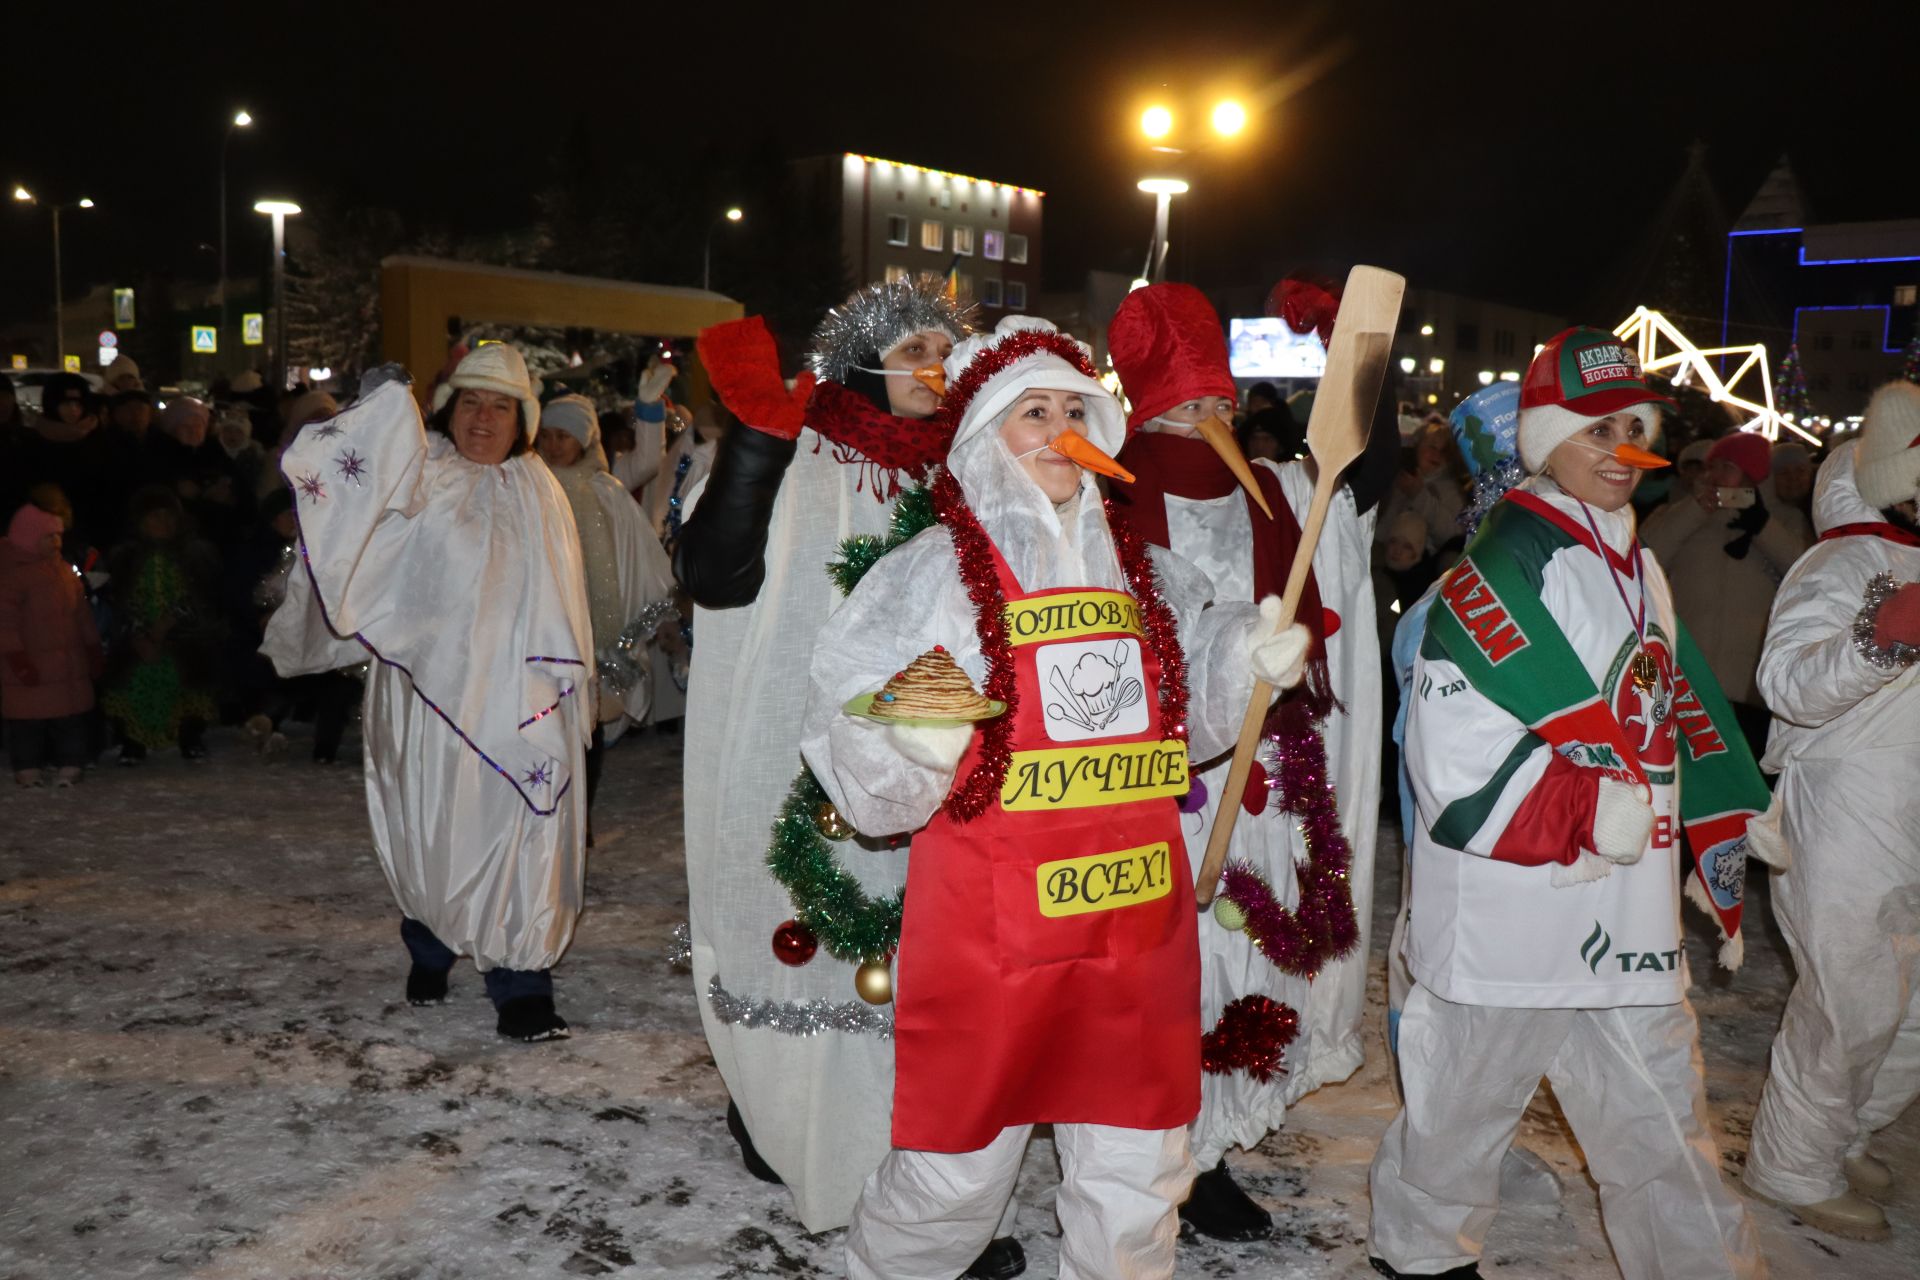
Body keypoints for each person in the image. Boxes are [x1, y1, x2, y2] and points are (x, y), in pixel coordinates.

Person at [802, 315, 1309, 1280]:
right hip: (996, 924)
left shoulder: (1145, 573)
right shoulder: (933, 573)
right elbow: (853, 716)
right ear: (988, 435)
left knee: (1137, 1164)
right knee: (955, 1170)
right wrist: (910, 738)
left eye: (1075, 409)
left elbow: (1190, 708)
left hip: (1134, 915)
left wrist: (1245, 661)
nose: (1058, 427)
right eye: (1033, 411)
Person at [1370, 327, 1769, 1280]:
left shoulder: (1639, 561)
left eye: (1634, 429)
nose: (1623, 451)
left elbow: (1666, 695)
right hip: (1516, 903)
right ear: (1544, 441)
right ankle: (1420, 1257)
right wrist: (1578, 812)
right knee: (1464, 1104)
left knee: (1664, 1114)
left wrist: (1726, 803)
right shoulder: (1494, 572)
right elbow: (1449, 740)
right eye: (1597, 431)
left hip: (1625, 904)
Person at [672, 278, 1004, 1255]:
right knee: (795, 930)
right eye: (912, 352)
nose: (932, 370)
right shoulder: (798, 443)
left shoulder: (966, 472)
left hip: (914, 757)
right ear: (865, 356)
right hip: (786, 745)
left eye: (944, 352)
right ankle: (777, 1110)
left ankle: (893, 1159)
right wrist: (754, 447)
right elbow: (713, 574)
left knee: (904, 951)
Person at [1105, 282, 1393, 1241]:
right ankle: (1139, 1143)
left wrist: (1344, 362)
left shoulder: (1275, 493)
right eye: (1188, 407)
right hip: (1156, 782)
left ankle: (1206, 1154)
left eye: (1221, 403)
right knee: (1156, 969)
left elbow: (1364, 474)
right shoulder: (1106, 493)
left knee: (1242, 958)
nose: (1212, 422)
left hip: (1268, 777)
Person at [263, 348, 593, 1043]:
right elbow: (348, 521)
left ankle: (520, 978)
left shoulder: (542, 491)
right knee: (430, 820)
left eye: (500, 406)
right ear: (447, 407)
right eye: (470, 401)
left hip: (518, 699)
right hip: (423, 698)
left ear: (522, 419)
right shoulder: (418, 475)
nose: (483, 418)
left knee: (519, 829)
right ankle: (430, 941)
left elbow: (563, 605)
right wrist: (377, 413)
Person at [1743, 380, 1920, 1242]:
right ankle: (1793, 1165)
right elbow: (1785, 684)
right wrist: (1878, 638)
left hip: (1909, 806)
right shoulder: (1841, 562)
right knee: (1851, 998)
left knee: (1908, 1002)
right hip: (1850, 806)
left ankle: (1840, 1133)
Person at [532, 393, 679, 792]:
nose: (553, 445)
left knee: (587, 722)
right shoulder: (531, 486)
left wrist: (650, 410)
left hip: (595, 626)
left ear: (584, 439)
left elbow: (637, 549)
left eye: (563, 435)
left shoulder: (604, 489)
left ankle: (581, 807)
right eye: (546, 435)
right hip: (543, 622)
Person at [1642, 431, 1812, 756]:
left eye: (1726, 466)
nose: (1712, 475)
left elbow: (1803, 573)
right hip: (1685, 684)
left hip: (1750, 689)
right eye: (1711, 466)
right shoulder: (1676, 513)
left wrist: (1762, 526)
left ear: (1754, 474)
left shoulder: (1787, 521)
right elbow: (1645, 560)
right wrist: (1693, 510)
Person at [103, 486, 221, 764]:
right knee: (133, 676)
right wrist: (140, 634)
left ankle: (189, 736)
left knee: (188, 676)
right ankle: (133, 741)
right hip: (137, 636)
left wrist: (168, 624)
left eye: (168, 517)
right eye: (155, 517)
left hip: (185, 633)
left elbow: (203, 597)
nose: (163, 524)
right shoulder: (125, 557)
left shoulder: (196, 553)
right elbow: (118, 600)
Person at [2, 502, 102, 787]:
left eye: (58, 535)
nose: (56, 542)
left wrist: (92, 647)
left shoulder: (63, 572)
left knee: (69, 719)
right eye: (48, 536)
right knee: (27, 721)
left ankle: (71, 763)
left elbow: (81, 614)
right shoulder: (13, 576)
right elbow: (5, 624)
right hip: (30, 666)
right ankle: (27, 766)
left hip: (67, 666)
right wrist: (17, 660)